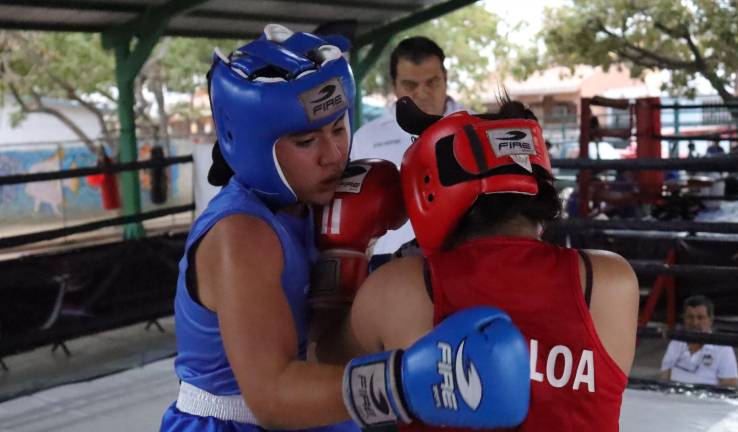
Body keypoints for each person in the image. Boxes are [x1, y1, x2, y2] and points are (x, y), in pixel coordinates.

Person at [160, 25, 531, 432]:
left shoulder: (313, 202)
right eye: (306, 142)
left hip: (323, 413)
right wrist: (406, 384)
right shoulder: (241, 234)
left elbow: (325, 346)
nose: (334, 154)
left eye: (338, 128)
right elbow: (272, 396)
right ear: (249, 143)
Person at [321, 96, 639, 431]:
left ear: (426, 191)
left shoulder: (401, 288)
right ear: (540, 183)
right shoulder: (609, 281)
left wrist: (345, 252)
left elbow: (324, 361)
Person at [350, 36, 468, 255]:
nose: (422, 93)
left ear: (446, 79)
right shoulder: (365, 139)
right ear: (394, 86)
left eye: (432, 82)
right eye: (410, 85)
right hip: (388, 267)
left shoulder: (475, 128)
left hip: (462, 262)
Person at [660, 295, 738, 387]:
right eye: (690, 317)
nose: (695, 323)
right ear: (684, 319)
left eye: (700, 317)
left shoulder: (723, 348)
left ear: (710, 320)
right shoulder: (676, 342)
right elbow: (665, 375)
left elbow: (730, 383)